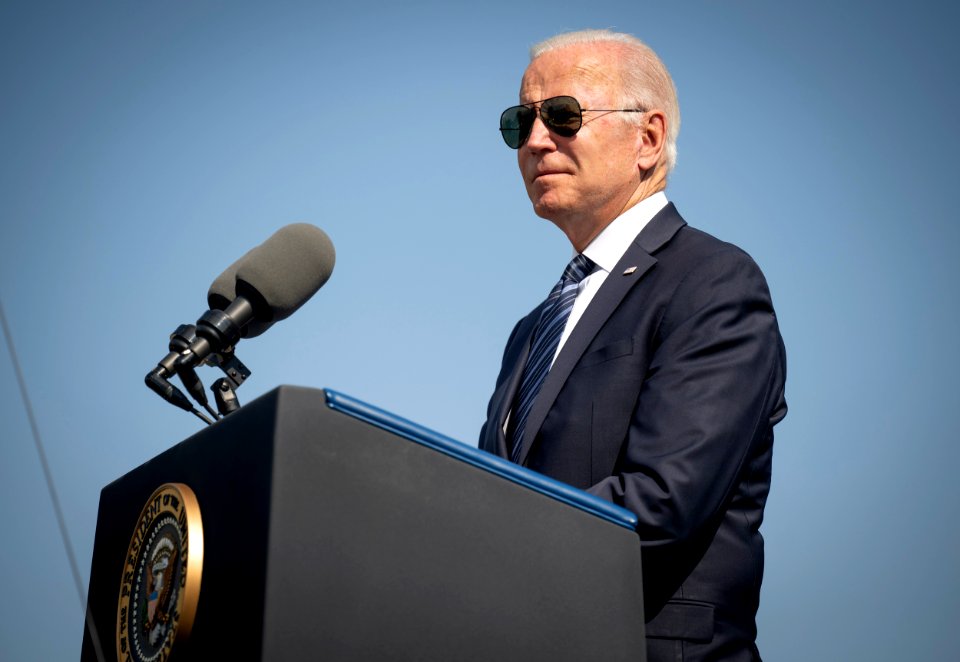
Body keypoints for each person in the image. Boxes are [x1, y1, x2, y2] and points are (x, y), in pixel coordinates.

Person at [479, 29, 787, 661]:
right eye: (520, 122)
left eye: (563, 116)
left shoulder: (711, 282)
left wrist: (480, 552)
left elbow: (664, 499)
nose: (537, 141)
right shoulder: (531, 330)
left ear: (647, 139)